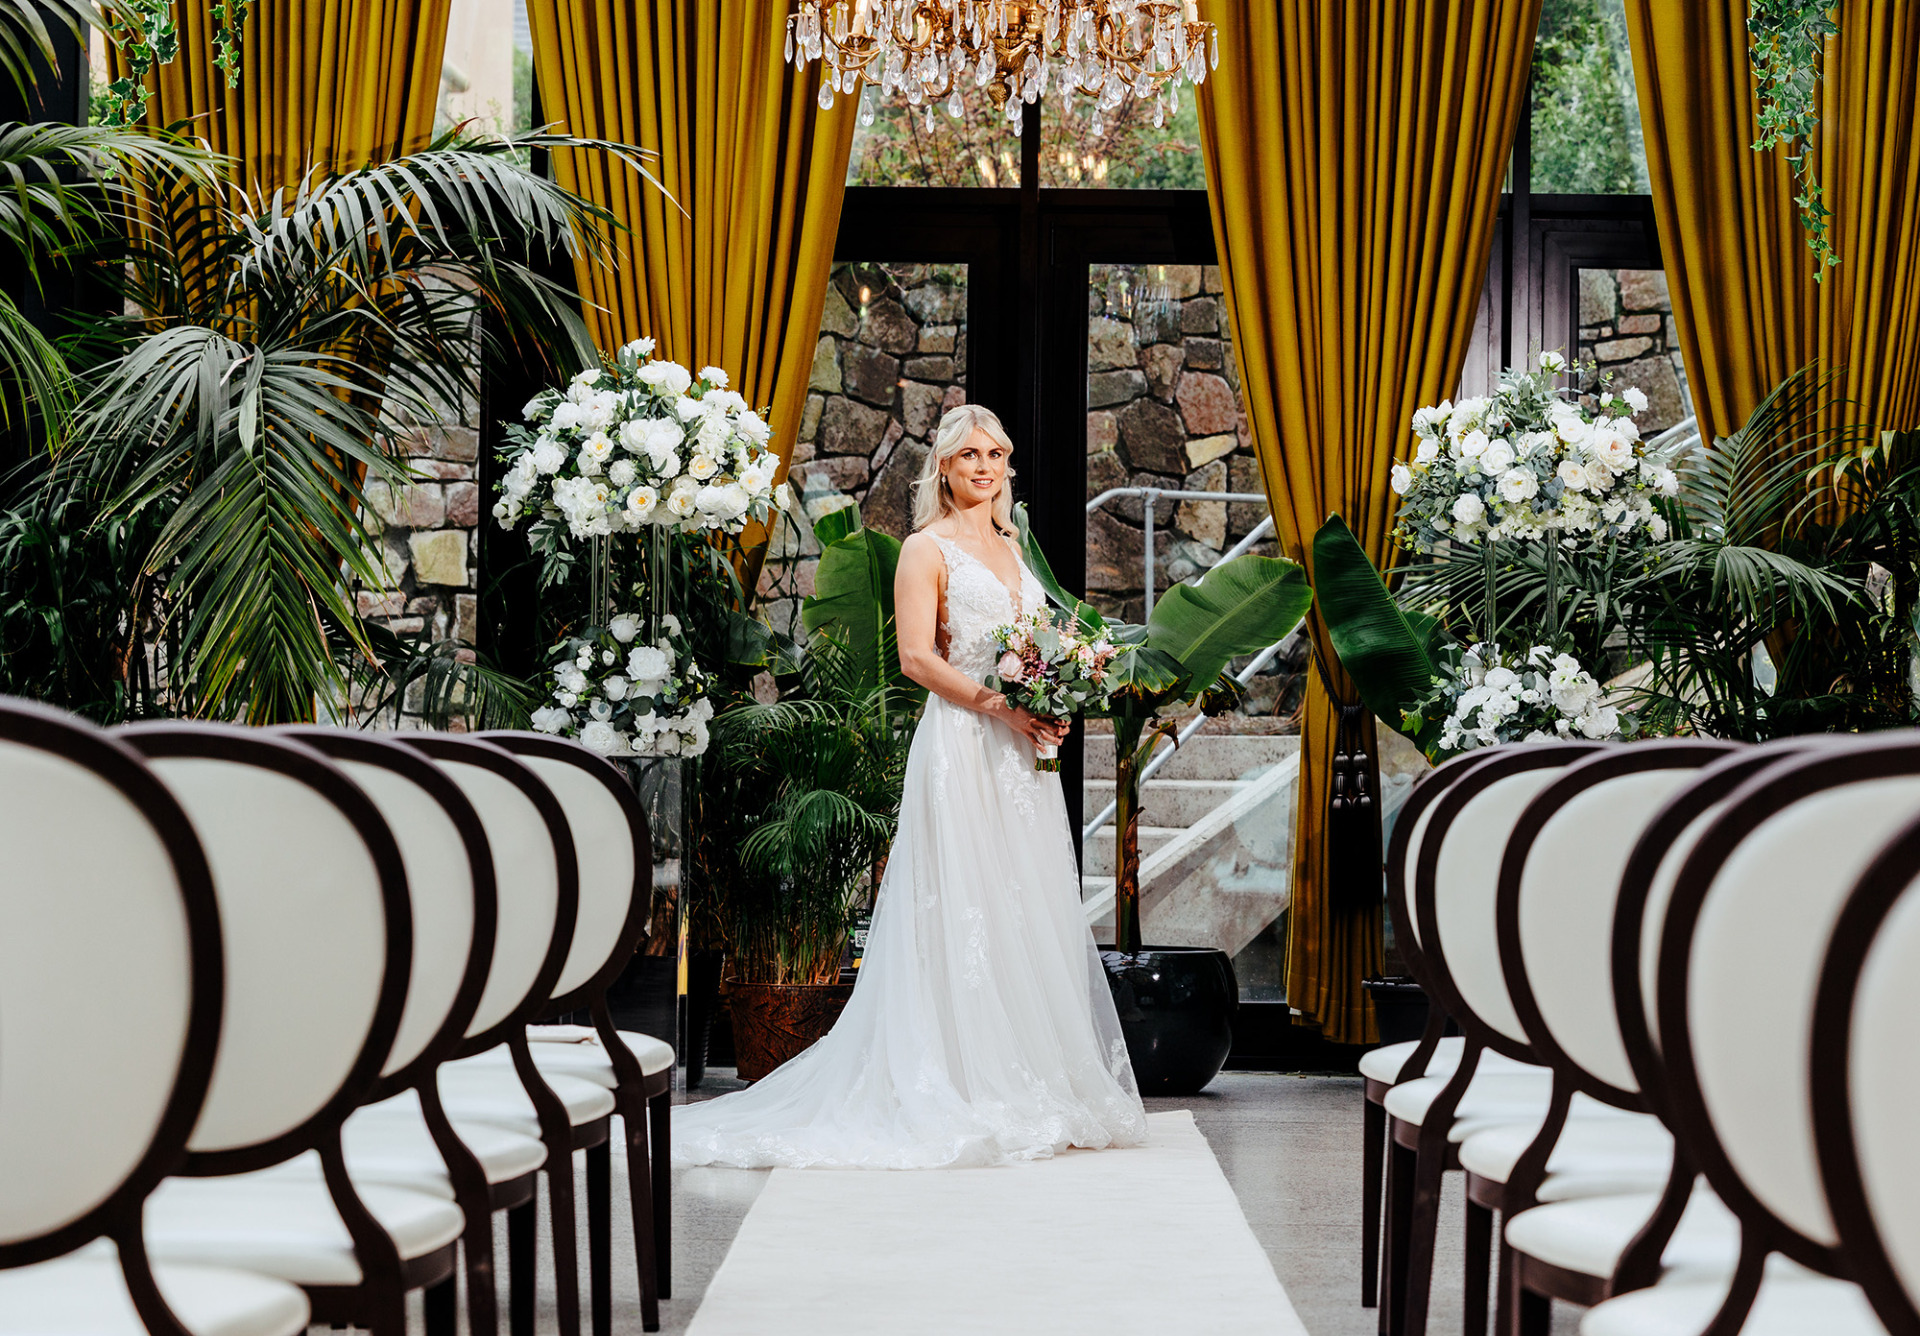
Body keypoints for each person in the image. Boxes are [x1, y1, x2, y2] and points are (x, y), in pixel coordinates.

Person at [672, 403, 1147, 1169]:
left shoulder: (1012, 543)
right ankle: (959, 1079)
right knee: (962, 899)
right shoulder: (926, 549)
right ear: (945, 468)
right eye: (969, 456)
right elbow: (918, 659)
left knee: (1020, 899)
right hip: (962, 740)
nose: (985, 467)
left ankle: (1030, 1076)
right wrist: (1000, 706)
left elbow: (1036, 645)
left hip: (1018, 753)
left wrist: (1048, 705)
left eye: (995, 454)